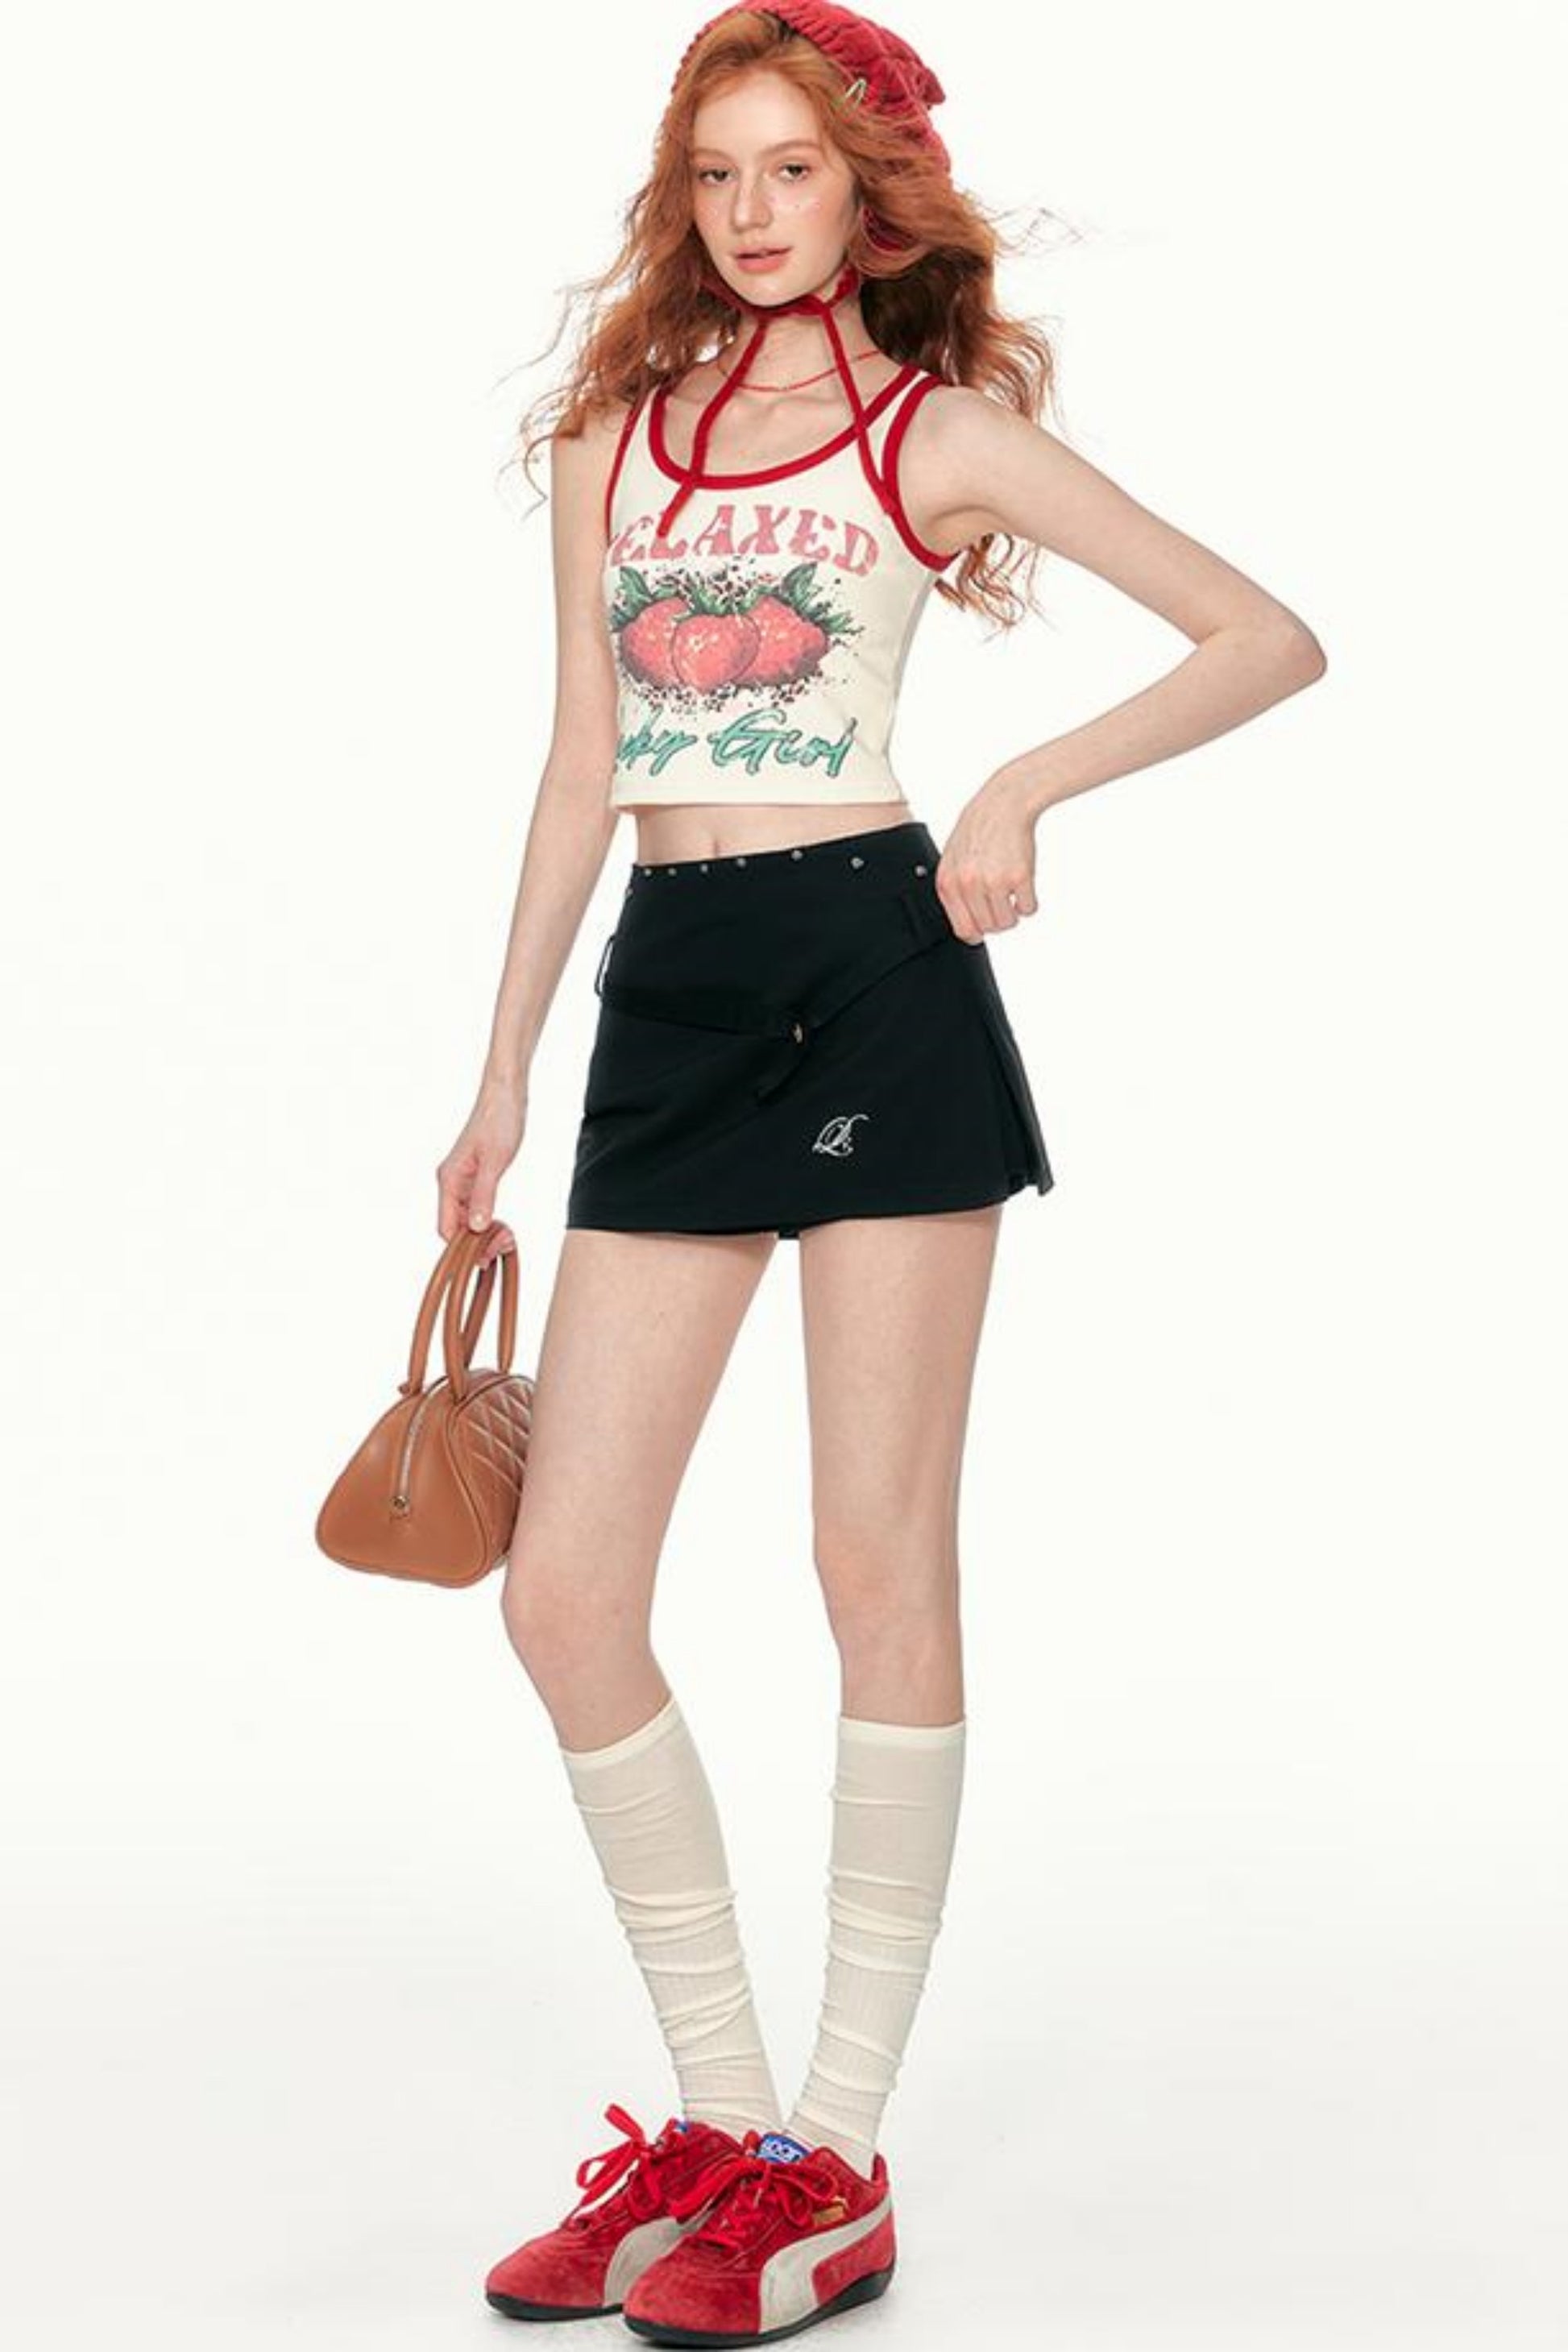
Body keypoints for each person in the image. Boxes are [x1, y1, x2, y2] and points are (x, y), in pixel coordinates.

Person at [441, 4, 1326, 2340]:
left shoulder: (937, 434)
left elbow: (1263, 637)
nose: (751, 212)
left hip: (872, 966)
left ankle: (832, 2166)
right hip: (668, 991)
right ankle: (721, 2127)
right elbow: (575, 768)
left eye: (793, 170)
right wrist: (501, 1074)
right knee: (564, 1591)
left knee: (870, 1555)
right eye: (716, 172)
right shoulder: (614, 440)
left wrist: (1021, 786)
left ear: (866, 193)